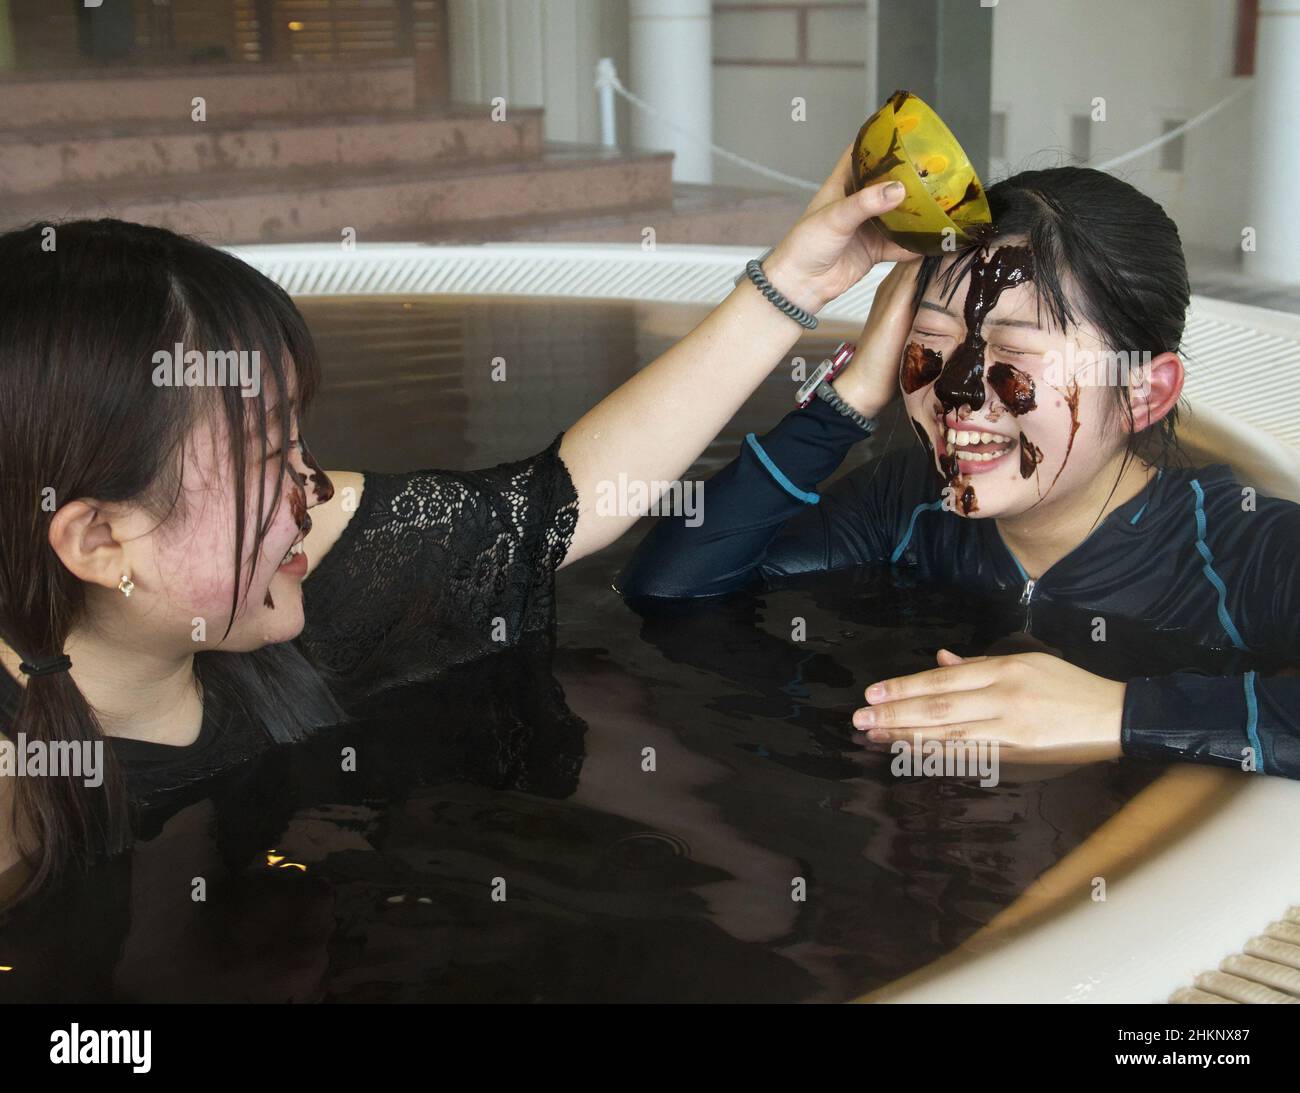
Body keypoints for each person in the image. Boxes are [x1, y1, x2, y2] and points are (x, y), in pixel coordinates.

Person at [0, 144, 914, 904]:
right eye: (264, 459)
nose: (312, 488)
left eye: (297, 441)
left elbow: (560, 503)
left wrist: (797, 279)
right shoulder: (18, 815)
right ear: (97, 541)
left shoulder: (268, 567)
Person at [619, 167, 1300, 780]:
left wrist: (1118, 714)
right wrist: (848, 399)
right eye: (933, 337)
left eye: (1014, 350)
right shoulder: (903, 505)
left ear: (1143, 393)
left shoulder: (1247, 548)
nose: (956, 392)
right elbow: (669, 592)